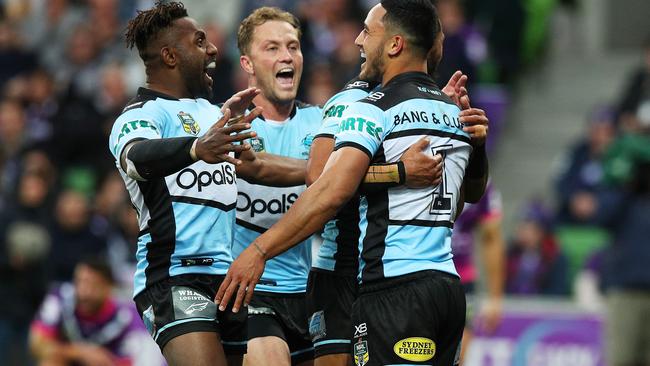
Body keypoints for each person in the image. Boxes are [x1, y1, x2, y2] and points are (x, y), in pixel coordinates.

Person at [218, 1, 478, 364]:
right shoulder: (434, 109)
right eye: (273, 47)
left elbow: (326, 184)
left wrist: (260, 249)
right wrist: (400, 170)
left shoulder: (369, 106)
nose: (358, 40)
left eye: (292, 46)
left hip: (387, 279)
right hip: (374, 276)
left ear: (395, 44)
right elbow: (316, 175)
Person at [109, 2, 307, 365]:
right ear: (170, 56)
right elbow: (136, 158)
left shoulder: (211, 113)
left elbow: (256, 166)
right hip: (174, 276)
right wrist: (197, 147)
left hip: (228, 280)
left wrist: (327, 173)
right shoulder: (140, 114)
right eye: (199, 42)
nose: (213, 49)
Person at [29, 258, 164, 366]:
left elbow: (144, 360)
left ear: (108, 288)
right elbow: (37, 345)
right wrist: (80, 352)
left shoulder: (128, 316)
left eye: (92, 285)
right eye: (79, 282)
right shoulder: (60, 298)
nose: (83, 292)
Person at [450, 182, 504, 364]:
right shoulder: (423, 166)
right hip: (421, 274)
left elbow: (491, 237)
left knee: (458, 356)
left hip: (462, 279)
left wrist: (495, 298)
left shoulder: (482, 180)